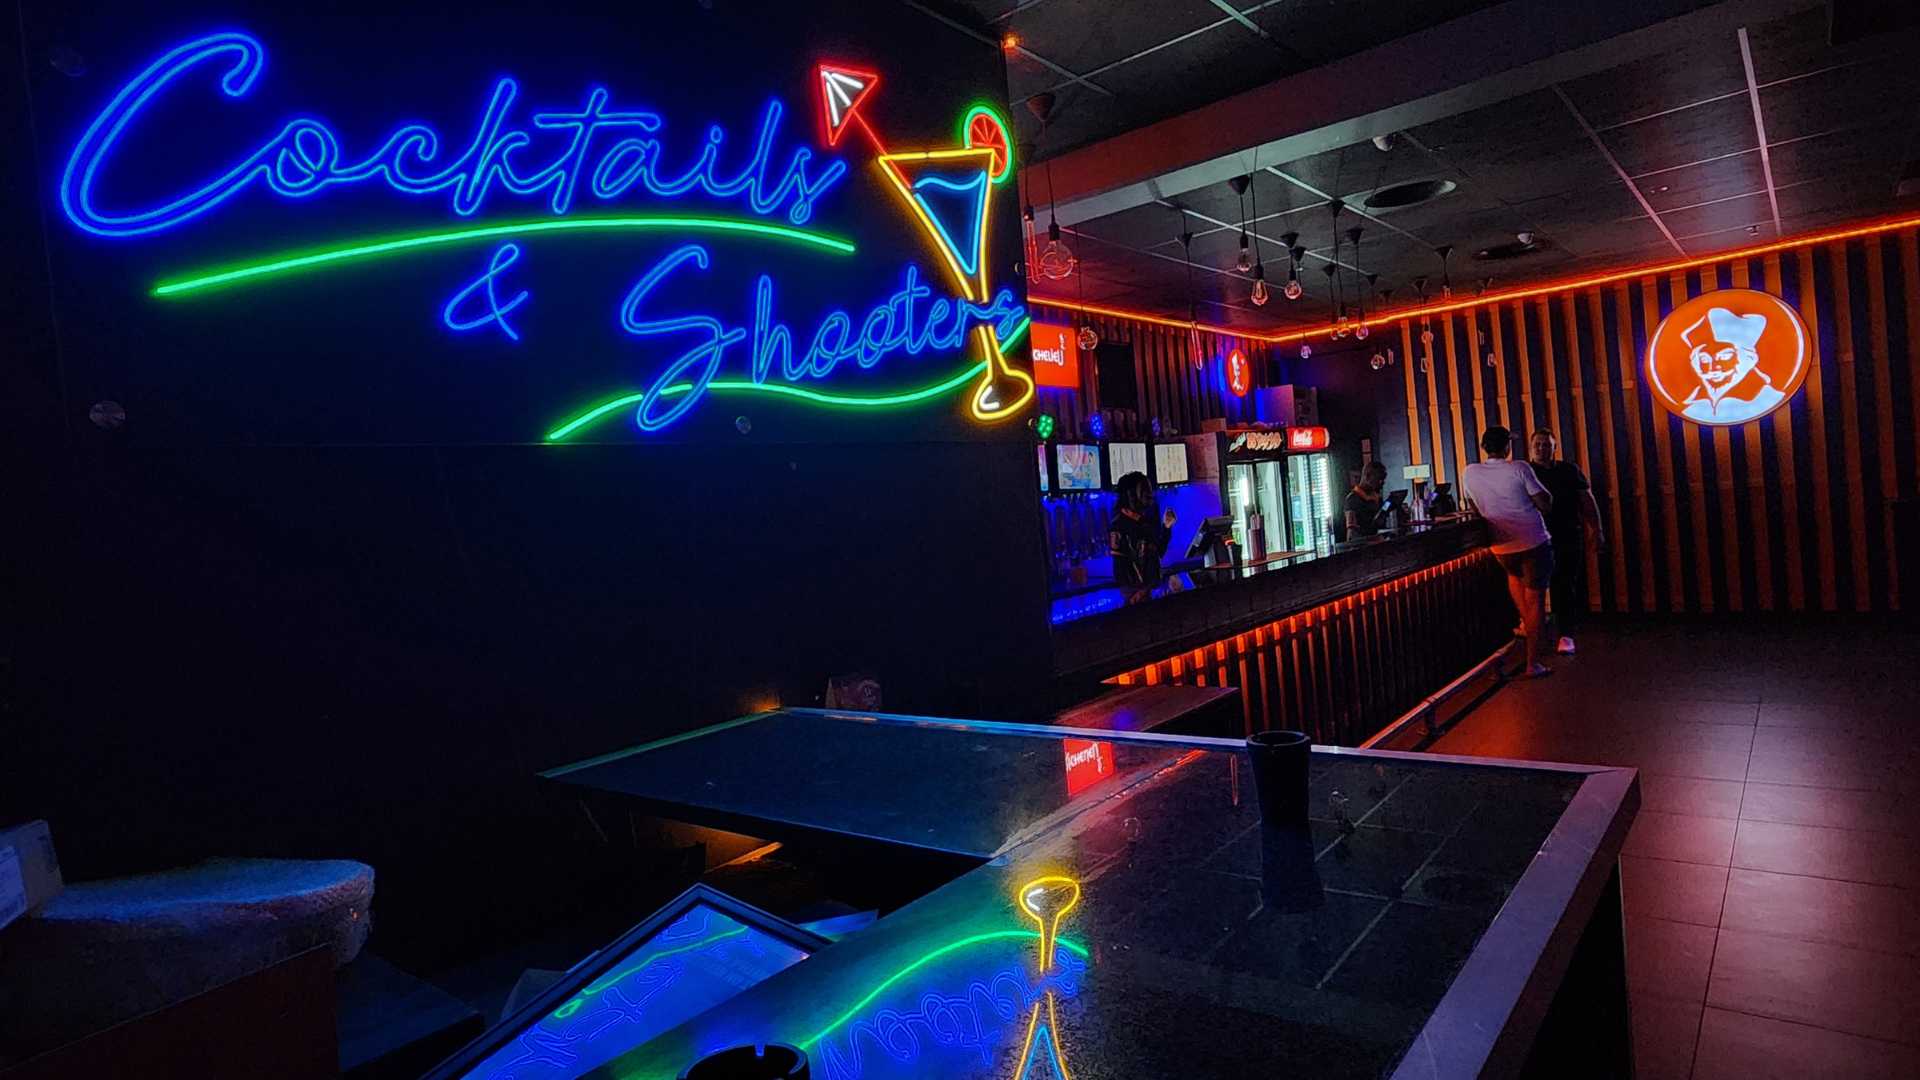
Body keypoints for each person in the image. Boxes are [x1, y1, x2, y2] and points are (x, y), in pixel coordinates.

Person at [1461, 427, 1555, 678]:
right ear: (1507, 447)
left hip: (1501, 548)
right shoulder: (1520, 468)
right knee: (1535, 603)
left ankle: (1530, 633)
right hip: (1532, 541)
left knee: (1518, 588)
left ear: (1484, 447)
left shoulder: (1469, 472)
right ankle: (1533, 663)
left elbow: (1473, 508)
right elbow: (1545, 503)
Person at [1528, 429, 1604, 655]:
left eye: (1546, 445)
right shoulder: (1525, 472)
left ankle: (1566, 635)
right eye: (1538, 445)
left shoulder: (1569, 470)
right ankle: (1536, 634)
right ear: (1531, 448)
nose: (1542, 449)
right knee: (1534, 587)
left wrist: (1596, 529)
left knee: (1565, 585)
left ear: (1555, 448)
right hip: (1534, 536)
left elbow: (1587, 500)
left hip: (1567, 533)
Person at [1110, 472, 1175, 603]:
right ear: (1131, 495)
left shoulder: (1144, 522)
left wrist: (1167, 528)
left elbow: (1158, 553)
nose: (1150, 495)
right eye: (1145, 490)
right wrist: (1137, 595)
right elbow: (1121, 568)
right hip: (1136, 597)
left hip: (1149, 594)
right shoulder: (1119, 526)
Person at [1344, 461, 1390, 539]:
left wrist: (1391, 503)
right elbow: (1351, 532)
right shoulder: (1353, 499)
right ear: (1368, 476)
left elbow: (1382, 515)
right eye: (1379, 479)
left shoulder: (1376, 497)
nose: (1382, 483)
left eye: (1383, 479)